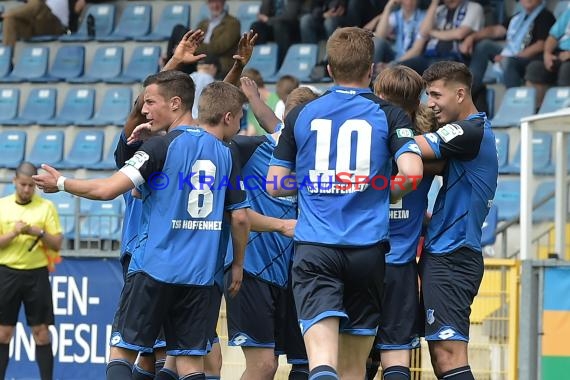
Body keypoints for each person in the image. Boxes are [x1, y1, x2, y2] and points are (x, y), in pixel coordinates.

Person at [33, 72, 251, 380]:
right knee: (190, 364)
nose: (144, 110)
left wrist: (62, 182)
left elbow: (109, 189)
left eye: (150, 102)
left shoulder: (160, 147)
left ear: (175, 103)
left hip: (154, 268)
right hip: (200, 276)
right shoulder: (226, 152)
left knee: (124, 352)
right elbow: (240, 217)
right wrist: (238, 264)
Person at [267, 27, 424, 379]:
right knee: (354, 368)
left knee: (322, 361)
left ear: (329, 69)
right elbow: (412, 174)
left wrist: (316, 184)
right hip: (367, 252)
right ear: (371, 69)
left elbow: (275, 184)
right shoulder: (389, 114)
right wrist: (377, 190)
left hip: (316, 249)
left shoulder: (301, 114)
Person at [225, 79, 317, 380]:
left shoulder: (318, 161)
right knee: (263, 366)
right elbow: (212, 133)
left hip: (298, 276)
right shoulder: (249, 149)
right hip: (253, 271)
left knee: (307, 364)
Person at [413, 61, 498, 380]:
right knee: (441, 357)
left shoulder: (469, 130)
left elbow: (410, 147)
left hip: (454, 255)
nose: (430, 103)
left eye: (436, 94)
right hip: (447, 253)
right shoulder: (469, 137)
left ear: (460, 93)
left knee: (449, 356)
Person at [366, 65, 438, 380]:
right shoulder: (426, 154)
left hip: (362, 258)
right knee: (396, 356)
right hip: (401, 266)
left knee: (355, 355)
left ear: (379, 97)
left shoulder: (363, 147)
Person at [0, 162, 63, 380]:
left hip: (37, 275)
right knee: (3, 333)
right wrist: (14, 233)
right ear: (15, 181)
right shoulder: (2, 206)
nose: (27, 190)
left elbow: (56, 244)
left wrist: (38, 232)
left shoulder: (46, 207)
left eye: (31, 186)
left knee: (42, 334)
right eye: (23, 185)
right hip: (6, 273)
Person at [460, 0, 555, 100]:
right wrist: (472, 37)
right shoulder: (518, 17)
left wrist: (512, 56)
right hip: (512, 54)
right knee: (484, 45)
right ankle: (470, 88)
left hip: (529, 59)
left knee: (508, 61)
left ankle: (514, 100)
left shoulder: (545, 16)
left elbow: (541, 45)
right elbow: (496, 30)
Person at [399, 0, 484, 74]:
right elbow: (423, 32)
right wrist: (434, 3)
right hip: (428, 57)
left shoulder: (474, 7)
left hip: (454, 59)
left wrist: (432, 32)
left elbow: (460, 34)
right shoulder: (439, 9)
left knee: (432, 71)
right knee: (399, 69)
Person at [163, 0, 241, 77]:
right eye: (212, 2)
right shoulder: (203, 23)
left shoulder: (233, 23)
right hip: (200, 57)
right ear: (208, 4)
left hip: (218, 60)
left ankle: (170, 65)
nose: (215, 5)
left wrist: (191, 47)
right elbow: (195, 39)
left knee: (187, 50)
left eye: (218, 1)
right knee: (178, 29)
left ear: (223, 2)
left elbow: (218, 48)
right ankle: (169, 62)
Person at [525, 7, 570, 109]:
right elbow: (552, 36)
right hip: (560, 53)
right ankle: (536, 111)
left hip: (568, 59)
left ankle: (564, 111)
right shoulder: (569, 13)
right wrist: (547, 54)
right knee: (535, 68)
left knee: (567, 70)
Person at [366, 0, 426, 67]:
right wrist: (388, 7)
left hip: (411, 59)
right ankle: (371, 72)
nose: (409, 2)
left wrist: (392, 64)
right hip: (394, 55)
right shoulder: (396, 15)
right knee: (378, 42)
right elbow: (380, 36)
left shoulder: (424, 17)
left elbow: (416, 50)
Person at [251, 0, 305, 65]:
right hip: (273, 26)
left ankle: (283, 63)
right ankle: (259, 61)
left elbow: (290, 16)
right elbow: (262, 14)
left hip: (291, 28)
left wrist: (269, 20)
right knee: (256, 26)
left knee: (279, 26)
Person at [2, 0, 68, 47]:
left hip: (57, 26)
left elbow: (37, 5)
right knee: (10, 19)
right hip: (38, 24)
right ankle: (6, 59)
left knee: (37, 4)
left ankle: (7, 14)